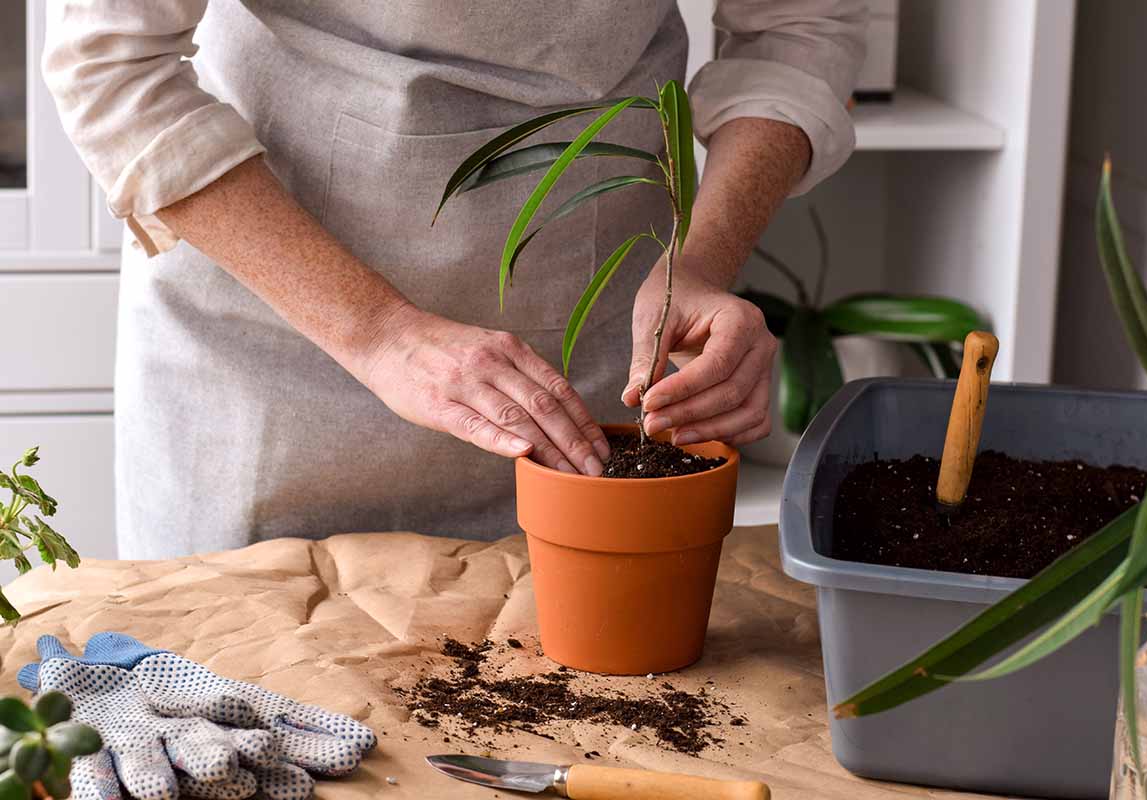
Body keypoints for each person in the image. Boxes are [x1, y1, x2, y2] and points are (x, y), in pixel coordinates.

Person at [43, 1, 867, 558]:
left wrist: (703, 259)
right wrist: (374, 330)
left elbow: (799, 27)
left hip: (582, 338)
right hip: (275, 346)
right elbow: (108, 66)